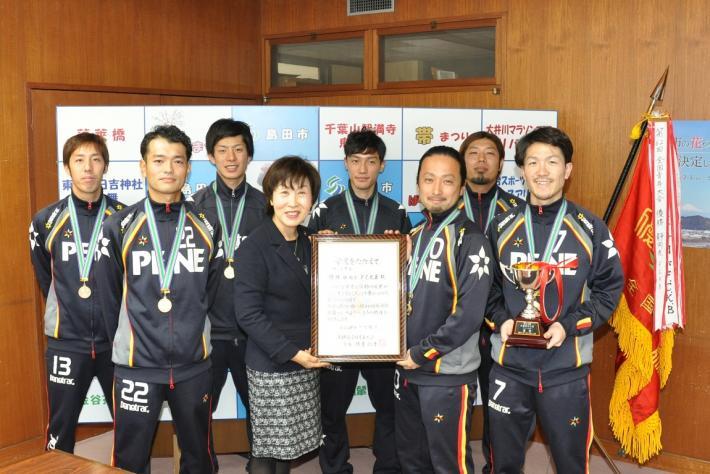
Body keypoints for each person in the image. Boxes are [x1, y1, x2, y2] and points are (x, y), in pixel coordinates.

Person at [485, 126, 623, 473]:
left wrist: (568, 325)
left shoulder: (589, 227)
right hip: (509, 369)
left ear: (568, 170)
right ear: (522, 170)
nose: (542, 171)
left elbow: (610, 290)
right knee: (502, 463)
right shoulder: (500, 226)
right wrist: (500, 319)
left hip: (565, 371)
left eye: (551, 161)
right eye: (532, 162)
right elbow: (485, 289)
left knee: (571, 464)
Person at [95, 125, 221, 474]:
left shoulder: (208, 225)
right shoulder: (118, 225)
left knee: (200, 457)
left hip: (194, 366)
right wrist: (125, 348)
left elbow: (211, 291)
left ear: (188, 168)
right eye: (159, 160)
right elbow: (107, 300)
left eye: (177, 161)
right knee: (130, 459)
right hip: (137, 367)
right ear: (142, 166)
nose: (168, 169)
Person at [309, 130, 408, 474]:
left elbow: (406, 273)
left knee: (389, 408)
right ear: (346, 164)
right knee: (332, 410)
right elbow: (310, 270)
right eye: (355, 161)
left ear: (381, 166)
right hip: (339, 331)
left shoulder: (396, 212)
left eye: (370, 161)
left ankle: (388, 467)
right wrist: (318, 246)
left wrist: (403, 250)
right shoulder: (325, 211)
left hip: (382, 331)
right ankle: (336, 469)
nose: (362, 169)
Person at [395, 145, 493, 473]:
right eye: (429, 180)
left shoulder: (471, 239)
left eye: (447, 181)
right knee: (412, 460)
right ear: (418, 186)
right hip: (406, 369)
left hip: (445, 375)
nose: (436, 190)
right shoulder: (414, 236)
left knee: (448, 463)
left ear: (461, 188)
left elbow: (469, 315)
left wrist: (422, 353)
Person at [28, 132, 123, 453]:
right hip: (66, 344)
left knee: (128, 429)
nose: (88, 168)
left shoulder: (123, 219)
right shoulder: (45, 220)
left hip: (118, 344)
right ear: (67, 168)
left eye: (95, 160)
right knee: (61, 428)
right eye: (79, 160)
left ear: (106, 166)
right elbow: (46, 276)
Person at [234, 156, 330, 474]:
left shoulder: (309, 243)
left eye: (302, 193)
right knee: (266, 450)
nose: (293, 202)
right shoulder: (254, 247)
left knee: (286, 450)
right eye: (285, 192)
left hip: (306, 358)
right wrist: (293, 354)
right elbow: (248, 314)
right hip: (272, 364)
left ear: (312, 200)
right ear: (270, 197)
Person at [192, 118, 266, 467]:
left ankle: (261, 466)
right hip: (209, 333)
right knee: (199, 411)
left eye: (238, 149)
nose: (231, 157)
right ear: (210, 156)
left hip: (255, 334)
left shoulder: (268, 207)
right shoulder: (195, 207)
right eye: (222, 150)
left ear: (249, 155)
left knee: (262, 413)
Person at [459, 131, 522, 473]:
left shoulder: (517, 210)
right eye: (473, 153)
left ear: (501, 163)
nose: (481, 159)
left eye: (489, 154)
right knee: (458, 409)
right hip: (456, 329)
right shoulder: (445, 209)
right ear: (463, 160)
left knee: (501, 409)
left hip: (503, 326)